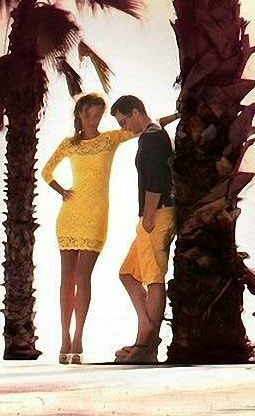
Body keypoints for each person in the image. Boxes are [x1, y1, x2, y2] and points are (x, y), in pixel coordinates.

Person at [39, 94, 175, 364]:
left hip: (97, 216)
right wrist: (63, 191)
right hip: (70, 215)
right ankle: (65, 339)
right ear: (79, 115)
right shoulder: (69, 145)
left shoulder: (110, 139)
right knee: (67, 279)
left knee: (83, 277)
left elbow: (148, 125)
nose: (94, 120)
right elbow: (46, 172)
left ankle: (80, 339)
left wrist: (177, 115)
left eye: (98, 115)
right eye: (89, 115)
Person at [111, 95, 176, 364]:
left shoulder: (151, 139)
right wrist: (176, 115)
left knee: (154, 279)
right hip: (152, 214)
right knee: (128, 273)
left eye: (125, 121)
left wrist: (148, 215)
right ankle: (146, 333)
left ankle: (146, 346)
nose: (124, 127)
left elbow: (156, 180)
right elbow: (159, 121)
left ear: (136, 112)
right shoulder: (153, 132)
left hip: (156, 214)